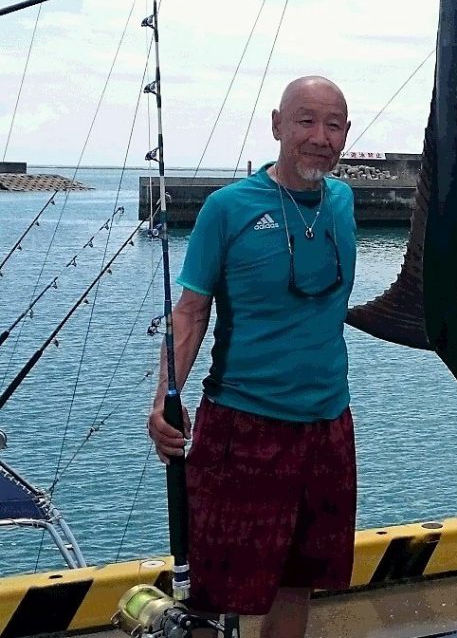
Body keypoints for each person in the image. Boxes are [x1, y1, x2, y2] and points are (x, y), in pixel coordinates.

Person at [148, 76, 356, 638]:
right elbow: (191, 312)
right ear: (277, 126)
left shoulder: (343, 200)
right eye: (305, 121)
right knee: (221, 587)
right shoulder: (227, 208)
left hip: (327, 425)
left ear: (345, 135)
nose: (319, 136)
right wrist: (165, 398)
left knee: (298, 581)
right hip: (243, 425)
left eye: (333, 124)